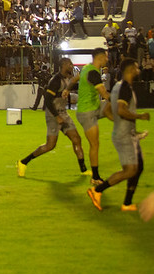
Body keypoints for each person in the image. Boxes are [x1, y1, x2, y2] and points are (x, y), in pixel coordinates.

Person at [87, 58, 150, 211]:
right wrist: (139, 116)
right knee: (130, 170)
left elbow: (108, 110)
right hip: (125, 136)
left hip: (127, 133)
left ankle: (127, 203)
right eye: (136, 67)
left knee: (138, 167)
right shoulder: (125, 89)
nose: (138, 70)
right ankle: (97, 190)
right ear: (130, 70)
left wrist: (121, 125)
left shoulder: (117, 86)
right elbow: (121, 110)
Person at [16, 58, 88, 177]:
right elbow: (48, 100)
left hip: (63, 113)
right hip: (53, 114)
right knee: (50, 145)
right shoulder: (55, 80)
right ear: (64, 65)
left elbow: (70, 88)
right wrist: (56, 116)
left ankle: (84, 170)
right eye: (70, 64)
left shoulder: (67, 78)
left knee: (76, 139)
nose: (72, 66)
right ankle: (23, 162)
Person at [75, 48, 112, 185]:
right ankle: (95, 177)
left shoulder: (86, 68)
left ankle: (128, 131)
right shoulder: (93, 73)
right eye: (106, 57)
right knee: (94, 144)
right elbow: (103, 93)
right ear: (100, 57)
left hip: (93, 108)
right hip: (87, 112)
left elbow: (75, 78)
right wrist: (115, 99)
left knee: (116, 110)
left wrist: (67, 89)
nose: (107, 60)